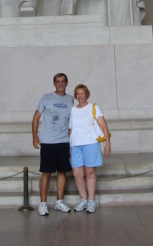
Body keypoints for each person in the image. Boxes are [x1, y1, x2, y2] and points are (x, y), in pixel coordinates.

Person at [32, 73, 74, 216]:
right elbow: (36, 117)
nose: (60, 83)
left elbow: (72, 119)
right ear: (54, 83)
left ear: (67, 83)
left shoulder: (70, 99)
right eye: (58, 81)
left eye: (63, 81)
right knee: (47, 172)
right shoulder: (46, 97)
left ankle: (59, 202)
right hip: (48, 141)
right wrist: (34, 136)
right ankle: (43, 204)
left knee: (62, 172)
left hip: (64, 141)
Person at [68, 84, 111, 213]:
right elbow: (70, 130)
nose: (80, 96)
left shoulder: (94, 107)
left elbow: (103, 126)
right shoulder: (73, 110)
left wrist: (107, 144)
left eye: (82, 93)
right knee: (77, 174)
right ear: (75, 96)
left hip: (91, 143)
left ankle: (91, 201)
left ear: (86, 94)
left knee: (89, 173)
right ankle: (83, 200)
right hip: (75, 145)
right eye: (78, 93)